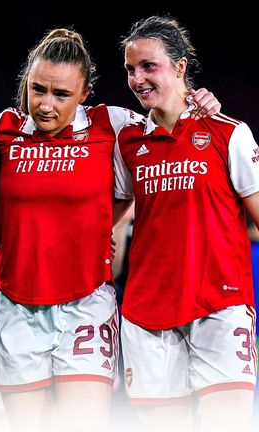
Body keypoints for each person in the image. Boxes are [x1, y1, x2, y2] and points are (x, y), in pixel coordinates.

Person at [0, 29, 220, 432]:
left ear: (85, 93)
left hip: (87, 306)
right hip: (17, 310)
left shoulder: (110, 125)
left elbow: (170, 128)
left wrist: (198, 102)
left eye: (61, 94)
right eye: (37, 89)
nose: (45, 105)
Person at [114, 16, 258, 432]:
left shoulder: (228, 133)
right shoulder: (128, 142)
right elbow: (115, 215)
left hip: (220, 305)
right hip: (146, 313)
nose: (137, 78)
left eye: (148, 66)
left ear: (180, 67)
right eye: (130, 69)